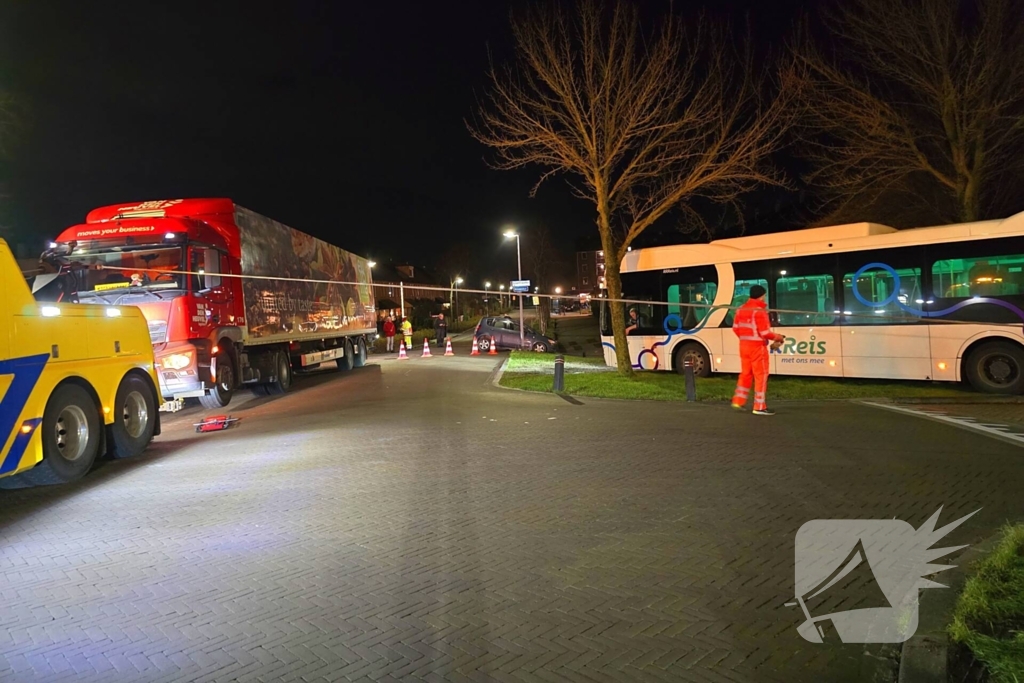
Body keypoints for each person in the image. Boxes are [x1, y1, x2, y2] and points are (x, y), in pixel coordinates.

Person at [731, 285, 786, 416]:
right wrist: (779, 337)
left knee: (746, 374)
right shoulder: (760, 311)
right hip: (757, 348)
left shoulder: (740, 309)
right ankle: (759, 406)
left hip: (744, 347)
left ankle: (738, 401)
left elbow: (735, 328)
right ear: (762, 295)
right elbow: (765, 332)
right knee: (761, 376)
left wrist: (745, 339)